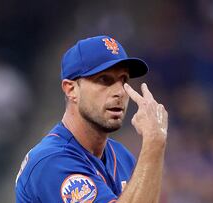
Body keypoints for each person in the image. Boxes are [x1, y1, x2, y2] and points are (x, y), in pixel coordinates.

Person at [15, 35, 168, 203]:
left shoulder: (122, 157)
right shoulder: (51, 162)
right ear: (71, 89)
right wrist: (154, 141)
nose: (120, 92)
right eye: (104, 80)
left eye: (123, 80)